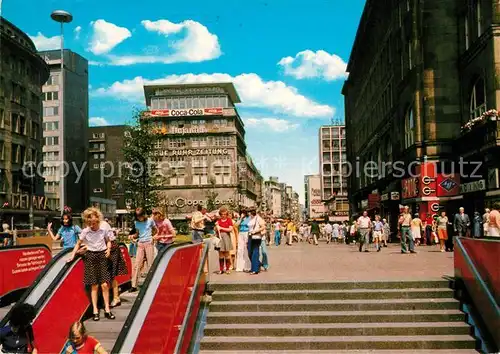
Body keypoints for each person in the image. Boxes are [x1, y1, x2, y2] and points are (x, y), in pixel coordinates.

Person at [68, 207, 114, 321]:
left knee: (104, 284)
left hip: (102, 255)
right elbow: (78, 244)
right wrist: (73, 255)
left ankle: (107, 308)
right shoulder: (85, 231)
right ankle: (95, 310)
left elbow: (108, 241)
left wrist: (108, 250)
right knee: (94, 285)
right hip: (91, 256)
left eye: (94, 223)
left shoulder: (103, 230)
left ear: (98, 221)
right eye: (90, 223)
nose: (92, 226)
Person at [128, 208, 157, 292]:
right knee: (137, 264)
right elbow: (137, 234)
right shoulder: (136, 223)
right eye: (138, 216)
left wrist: (153, 237)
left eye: (140, 216)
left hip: (148, 243)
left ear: (144, 214)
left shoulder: (150, 221)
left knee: (150, 264)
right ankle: (134, 285)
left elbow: (155, 230)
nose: (139, 218)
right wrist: (132, 236)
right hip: (140, 244)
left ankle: (152, 284)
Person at [101, 219, 127, 308]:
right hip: (104, 248)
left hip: (111, 248)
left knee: (111, 275)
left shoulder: (103, 225)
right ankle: (108, 298)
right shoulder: (92, 226)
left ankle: (116, 298)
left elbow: (107, 239)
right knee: (106, 275)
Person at [215, 207, 234, 274]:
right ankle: (221, 269)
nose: (223, 215)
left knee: (227, 254)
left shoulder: (229, 220)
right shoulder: (218, 221)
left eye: (225, 214)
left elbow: (230, 229)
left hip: (226, 237)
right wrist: (216, 227)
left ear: (226, 214)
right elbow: (216, 230)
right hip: (220, 238)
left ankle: (227, 269)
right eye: (222, 214)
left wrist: (221, 228)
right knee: (220, 254)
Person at [248, 208, 266, 275]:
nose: (248, 213)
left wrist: (255, 231)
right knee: (250, 253)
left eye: (249, 212)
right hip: (250, 236)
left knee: (255, 253)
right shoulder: (250, 218)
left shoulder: (258, 218)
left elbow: (263, 227)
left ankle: (255, 269)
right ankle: (258, 264)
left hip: (256, 237)